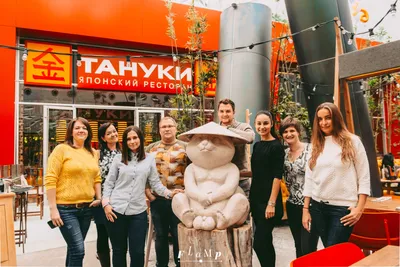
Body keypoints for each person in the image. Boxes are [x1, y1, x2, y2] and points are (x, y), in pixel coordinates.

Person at [102, 126, 181, 267]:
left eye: (135, 137)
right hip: (116, 210)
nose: (132, 141)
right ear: (125, 142)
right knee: (119, 251)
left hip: (138, 212)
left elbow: (155, 183)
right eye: (129, 139)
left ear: (140, 139)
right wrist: (106, 205)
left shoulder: (149, 159)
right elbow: (109, 184)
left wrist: (170, 193)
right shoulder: (118, 159)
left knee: (137, 252)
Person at [302, 102, 370, 248]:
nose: (323, 123)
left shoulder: (352, 141)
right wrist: (305, 210)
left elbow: (364, 176)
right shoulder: (316, 144)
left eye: (328, 118)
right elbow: (309, 179)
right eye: (320, 119)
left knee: (333, 252)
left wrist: (359, 208)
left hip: (342, 209)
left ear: (336, 118)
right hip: (317, 207)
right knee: (330, 252)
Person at [45, 117, 102, 267]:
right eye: (77, 128)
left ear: (88, 132)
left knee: (74, 249)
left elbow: (97, 177)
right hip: (66, 209)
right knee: (78, 250)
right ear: (71, 131)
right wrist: (53, 209)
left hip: (86, 208)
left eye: (84, 128)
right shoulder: (61, 149)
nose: (81, 130)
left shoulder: (92, 153)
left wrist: (99, 198)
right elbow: (50, 178)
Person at [145, 117, 188, 267]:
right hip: (158, 199)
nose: (167, 129)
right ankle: (161, 264)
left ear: (176, 129)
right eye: (164, 127)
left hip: (180, 199)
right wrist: (148, 193)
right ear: (159, 129)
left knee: (179, 236)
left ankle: (180, 264)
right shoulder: (150, 149)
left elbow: (193, 170)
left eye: (170, 126)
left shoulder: (186, 147)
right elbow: (143, 172)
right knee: (161, 235)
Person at [279, 116, 318, 258]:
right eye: (285, 132)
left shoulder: (311, 150)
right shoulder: (283, 154)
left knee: (308, 246)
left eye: (292, 131)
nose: (288, 134)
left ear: (298, 132)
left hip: (311, 205)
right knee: (298, 245)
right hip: (292, 205)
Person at [250, 110, 284, 267]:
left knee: (259, 242)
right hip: (256, 200)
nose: (262, 126)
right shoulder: (257, 146)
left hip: (268, 202)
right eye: (259, 123)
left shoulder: (277, 146)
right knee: (266, 241)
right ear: (255, 125)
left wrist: (271, 203)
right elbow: (256, 172)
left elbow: (277, 176)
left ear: (271, 124)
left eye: (265, 123)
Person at [93, 122, 121, 267]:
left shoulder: (124, 154)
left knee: (117, 235)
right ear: (103, 138)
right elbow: (94, 177)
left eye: (114, 131)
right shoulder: (97, 154)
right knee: (102, 234)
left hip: (120, 201)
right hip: (102, 199)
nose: (113, 134)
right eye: (109, 133)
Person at [217, 98, 255, 198]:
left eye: (228, 111)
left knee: (242, 210)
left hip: (241, 179)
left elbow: (250, 137)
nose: (224, 114)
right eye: (222, 111)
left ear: (234, 112)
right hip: (220, 180)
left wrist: (229, 129)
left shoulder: (243, 127)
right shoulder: (214, 129)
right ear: (218, 113)